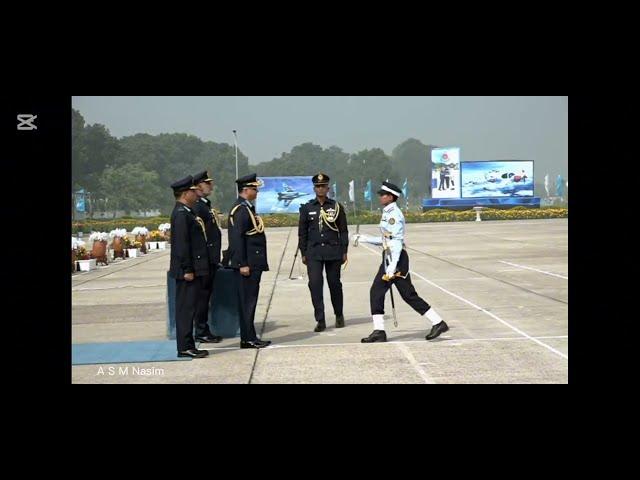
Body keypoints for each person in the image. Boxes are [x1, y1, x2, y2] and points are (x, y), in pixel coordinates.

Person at [353, 181, 449, 343]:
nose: (381, 197)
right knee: (404, 294)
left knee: (385, 293)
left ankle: (436, 323)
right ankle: (437, 323)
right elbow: (386, 239)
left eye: (383, 195)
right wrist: (364, 239)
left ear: (391, 197)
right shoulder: (387, 212)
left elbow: (396, 242)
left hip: (395, 259)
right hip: (390, 257)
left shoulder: (394, 215)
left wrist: (391, 267)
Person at [225, 173, 272, 349]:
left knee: (250, 301)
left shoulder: (247, 208)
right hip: (247, 265)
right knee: (247, 302)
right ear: (245, 190)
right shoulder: (240, 210)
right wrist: (242, 263)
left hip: (254, 262)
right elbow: (236, 239)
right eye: (254, 188)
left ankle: (250, 336)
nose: (257, 191)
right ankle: (247, 338)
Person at [298, 173, 349, 332]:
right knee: (315, 285)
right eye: (318, 186)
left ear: (328, 188)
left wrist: (344, 250)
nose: (320, 189)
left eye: (323, 186)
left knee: (334, 284)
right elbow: (302, 233)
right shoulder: (307, 208)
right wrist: (303, 252)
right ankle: (320, 319)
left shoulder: (336, 207)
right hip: (313, 252)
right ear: (314, 188)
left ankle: (339, 314)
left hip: (333, 251)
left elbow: (343, 231)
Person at [168, 176, 211, 359]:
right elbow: (181, 245)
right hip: (187, 270)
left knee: (190, 308)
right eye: (194, 191)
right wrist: (187, 269)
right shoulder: (181, 214)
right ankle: (185, 346)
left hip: (193, 267)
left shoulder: (187, 212)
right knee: (186, 309)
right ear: (186, 193)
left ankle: (188, 344)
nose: (196, 194)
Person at [192, 170, 224, 344]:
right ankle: (201, 330)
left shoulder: (204, 205)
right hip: (204, 260)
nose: (211, 186)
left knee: (206, 295)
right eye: (207, 183)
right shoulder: (198, 206)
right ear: (198, 186)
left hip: (211, 259)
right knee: (202, 296)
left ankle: (203, 329)